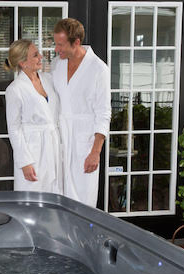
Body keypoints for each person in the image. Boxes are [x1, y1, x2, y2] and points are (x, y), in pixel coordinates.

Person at [50, 18, 111, 207]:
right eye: (55, 44)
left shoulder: (98, 69)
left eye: (60, 44)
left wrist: (95, 152)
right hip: (59, 140)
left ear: (76, 42)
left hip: (84, 144)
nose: (56, 49)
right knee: (59, 196)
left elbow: (103, 112)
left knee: (84, 199)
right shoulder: (56, 65)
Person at [4, 39, 62, 193]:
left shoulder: (48, 80)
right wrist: (25, 162)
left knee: (54, 196)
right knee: (31, 197)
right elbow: (14, 129)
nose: (41, 57)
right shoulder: (15, 90)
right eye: (35, 55)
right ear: (23, 63)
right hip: (32, 150)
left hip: (53, 147)